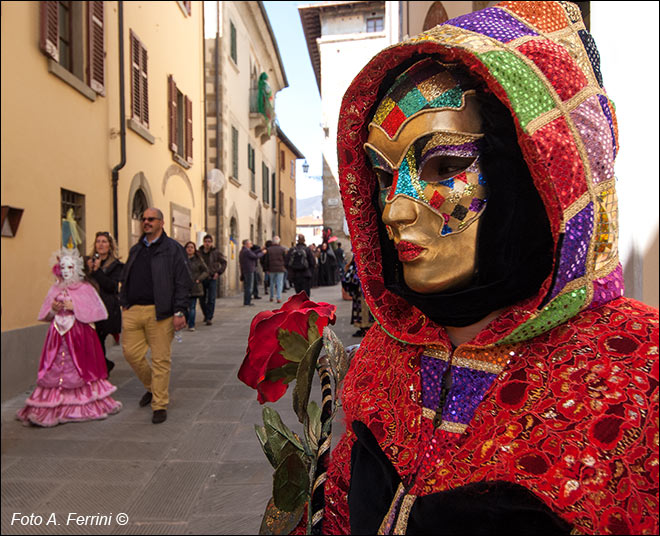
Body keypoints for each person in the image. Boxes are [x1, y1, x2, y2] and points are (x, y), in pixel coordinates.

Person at [323, 3, 659, 535]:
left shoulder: (642, 371)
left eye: (443, 166)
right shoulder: (385, 356)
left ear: (533, 172)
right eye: (385, 178)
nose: (395, 210)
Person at [17, 247, 122, 426]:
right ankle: (54, 404)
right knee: (54, 368)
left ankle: (78, 404)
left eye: (69, 267)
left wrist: (75, 307)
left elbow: (98, 312)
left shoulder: (85, 288)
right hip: (57, 337)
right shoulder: (55, 288)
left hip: (79, 336)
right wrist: (54, 310)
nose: (66, 271)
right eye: (63, 267)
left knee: (80, 369)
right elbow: (45, 314)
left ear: (77, 269)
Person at [119, 208, 192, 424]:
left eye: (151, 219)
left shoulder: (173, 250)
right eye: (143, 219)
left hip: (160, 312)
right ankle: (153, 387)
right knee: (130, 353)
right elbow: (127, 276)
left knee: (160, 359)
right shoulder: (136, 249)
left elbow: (182, 282)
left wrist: (180, 311)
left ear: (161, 222)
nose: (146, 222)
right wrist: (124, 302)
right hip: (133, 310)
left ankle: (159, 404)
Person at [86, 231, 124, 375]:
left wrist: (96, 272)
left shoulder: (117, 266)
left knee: (98, 339)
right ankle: (104, 365)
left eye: (104, 241)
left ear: (110, 245)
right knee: (92, 341)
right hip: (89, 307)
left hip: (106, 308)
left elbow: (112, 286)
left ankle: (102, 370)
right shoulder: (88, 261)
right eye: (98, 241)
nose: (101, 244)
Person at [198, 234, 227, 326]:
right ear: (203, 242)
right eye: (206, 241)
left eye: (209, 242)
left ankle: (209, 317)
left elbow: (224, 262)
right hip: (202, 278)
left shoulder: (216, 252)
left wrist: (218, 273)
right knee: (202, 298)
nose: (207, 243)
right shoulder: (198, 252)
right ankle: (206, 315)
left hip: (212, 278)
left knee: (211, 298)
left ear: (211, 243)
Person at [341, 257, 374, 337]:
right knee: (362, 305)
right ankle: (364, 327)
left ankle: (366, 327)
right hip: (360, 285)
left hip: (365, 284)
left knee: (366, 305)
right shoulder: (358, 255)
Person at [184, 241, 209, 332]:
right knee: (184, 307)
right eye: (188, 247)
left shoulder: (199, 260)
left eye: (192, 247)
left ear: (194, 250)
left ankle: (191, 324)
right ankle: (187, 320)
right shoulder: (182, 259)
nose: (190, 249)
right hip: (184, 287)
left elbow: (206, 271)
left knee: (192, 306)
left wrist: (199, 279)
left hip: (195, 286)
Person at [239, 239, 265, 306]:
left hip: (246, 270)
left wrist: (260, 250)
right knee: (249, 287)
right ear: (246, 244)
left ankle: (247, 301)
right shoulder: (246, 251)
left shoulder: (244, 250)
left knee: (247, 286)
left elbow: (253, 253)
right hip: (249, 270)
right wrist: (262, 253)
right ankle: (247, 302)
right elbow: (255, 256)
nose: (251, 244)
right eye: (250, 243)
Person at [266, 236, 287, 303]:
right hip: (280, 268)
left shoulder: (269, 249)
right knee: (279, 283)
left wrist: (267, 269)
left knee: (272, 283)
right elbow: (285, 259)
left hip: (271, 268)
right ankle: (279, 297)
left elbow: (266, 260)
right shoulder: (282, 249)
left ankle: (271, 297)